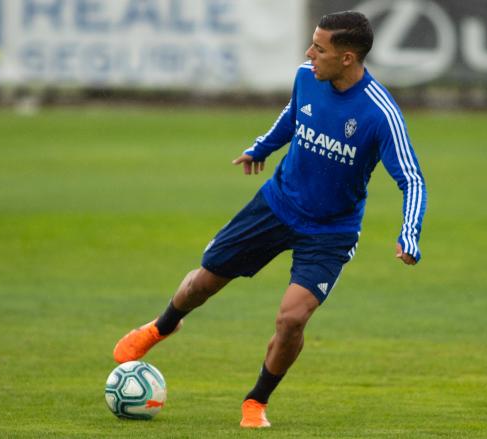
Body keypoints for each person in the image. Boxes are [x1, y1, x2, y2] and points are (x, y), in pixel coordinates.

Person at [112, 10, 426, 428]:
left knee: (292, 319)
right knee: (203, 283)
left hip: (330, 230)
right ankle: (162, 326)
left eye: (319, 47)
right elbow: (293, 116)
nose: (308, 53)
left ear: (347, 58)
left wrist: (409, 234)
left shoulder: (379, 113)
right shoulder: (306, 77)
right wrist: (262, 148)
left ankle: (256, 401)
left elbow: (412, 179)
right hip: (277, 205)